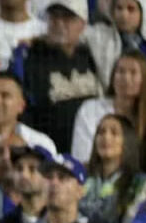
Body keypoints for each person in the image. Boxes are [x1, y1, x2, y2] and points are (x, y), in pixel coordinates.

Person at [14, 0, 102, 154]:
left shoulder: (92, 53)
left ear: (82, 24)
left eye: (67, 17)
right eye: (54, 17)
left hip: (93, 149)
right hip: (50, 152)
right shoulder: (31, 56)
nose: (60, 23)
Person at [70, 51, 146, 167]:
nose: (125, 78)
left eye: (133, 73)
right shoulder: (90, 110)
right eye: (120, 71)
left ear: (144, 80)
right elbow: (81, 157)